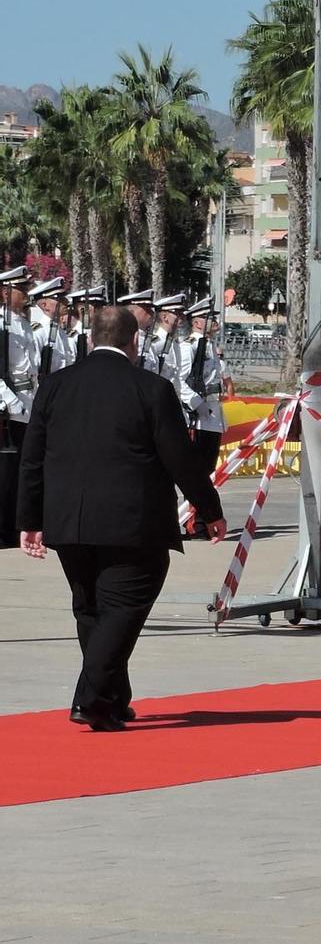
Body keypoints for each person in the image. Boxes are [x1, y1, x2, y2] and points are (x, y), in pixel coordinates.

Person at [16, 303, 227, 730]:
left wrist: (30, 519)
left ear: (91, 339)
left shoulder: (55, 386)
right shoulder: (150, 388)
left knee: (92, 609)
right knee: (122, 607)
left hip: (70, 522)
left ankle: (112, 699)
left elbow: (32, 460)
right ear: (133, 342)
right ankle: (90, 699)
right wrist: (209, 509)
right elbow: (179, 458)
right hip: (133, 523)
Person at [1, 265, 39, 550]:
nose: (26, 294)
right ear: (5, 292)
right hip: (9, 407)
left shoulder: (23, 323)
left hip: (26, 406)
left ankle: (14, 528)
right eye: (21, 289)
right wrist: (10, 401)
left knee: (20, 473)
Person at [174, 300, 231, 480]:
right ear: (197, 323)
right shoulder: (188, 346)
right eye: (209, 318)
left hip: (213, 414)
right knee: (198, 472)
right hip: (198, 417)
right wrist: (197, 404)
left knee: (209, 471)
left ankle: (202, 508)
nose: (215, 322)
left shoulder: (209, 345)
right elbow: (179, 382)